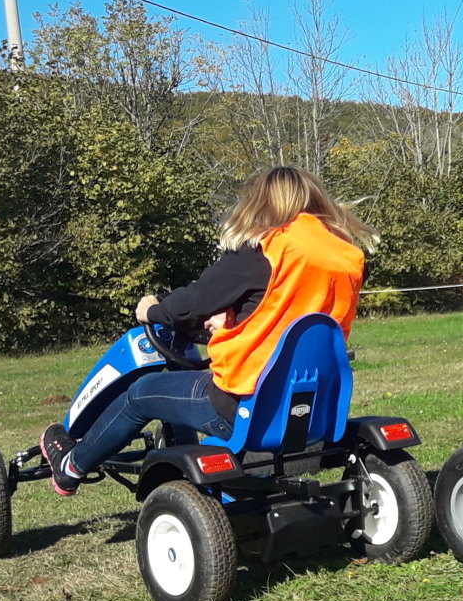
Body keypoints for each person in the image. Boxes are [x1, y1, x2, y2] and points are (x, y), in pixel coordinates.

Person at [37, 167, 376, 496]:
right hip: (312, 408)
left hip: (242, 405)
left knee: (140, 393)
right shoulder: (344, 256)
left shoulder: (266, 249)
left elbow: (192, 303)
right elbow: (290, 319)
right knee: (175, 388)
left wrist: (153, 310)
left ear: (263, 202)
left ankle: (72, 465)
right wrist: (231, 322)